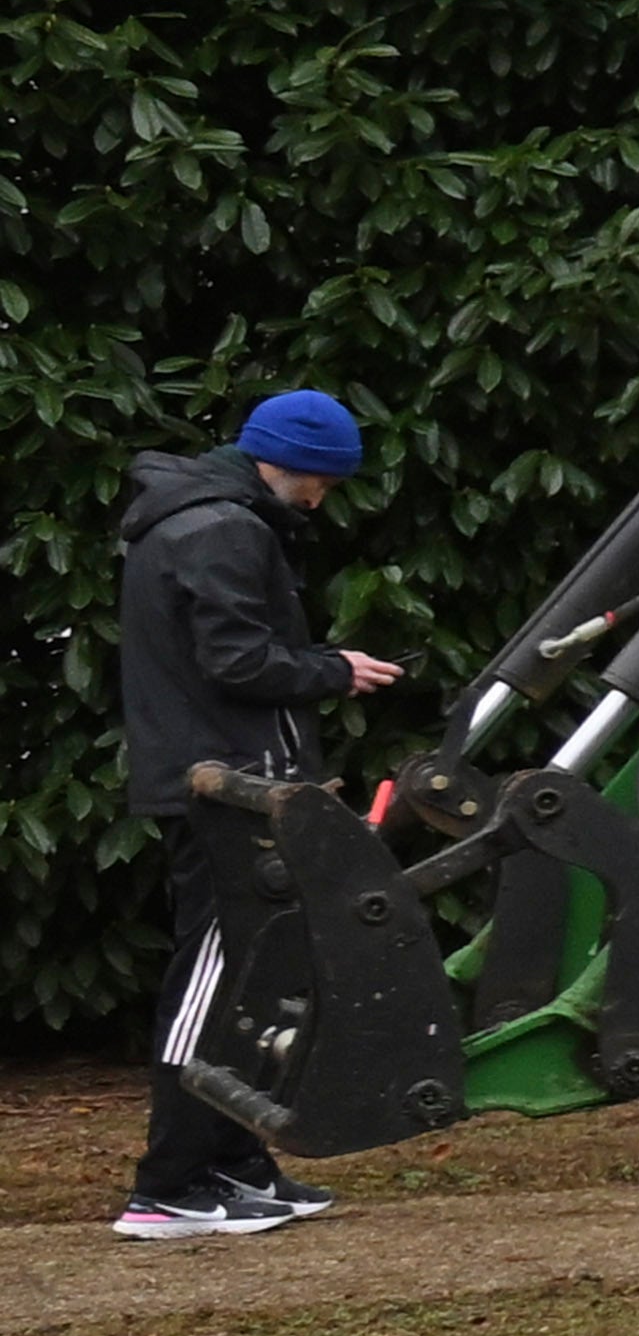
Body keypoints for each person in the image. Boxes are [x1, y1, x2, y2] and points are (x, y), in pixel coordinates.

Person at [112, 387, 400, 1234]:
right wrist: (333, 670)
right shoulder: (227, 529)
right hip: (224, 789)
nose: (324, 499)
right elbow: (237, 661)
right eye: (324, 482)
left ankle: (233, 1165)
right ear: (296, 466)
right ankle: (166, 1185)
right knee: (213, 984)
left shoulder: (197, 518)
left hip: (228, 778)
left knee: (252, 980)